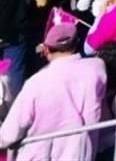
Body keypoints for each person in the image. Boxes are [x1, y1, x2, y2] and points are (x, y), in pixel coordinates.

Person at [0, 23, 106, 161]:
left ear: (46, 50)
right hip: (82, 153)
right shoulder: (97, 68)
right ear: (77, 43)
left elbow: (10, 133)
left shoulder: (36, 82)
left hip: (44, 155)